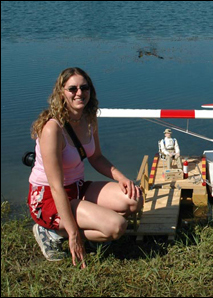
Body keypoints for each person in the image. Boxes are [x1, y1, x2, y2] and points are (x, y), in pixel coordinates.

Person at [27, 67, 143, 268]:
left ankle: (84, 222)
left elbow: (96, 158)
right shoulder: (53, 129)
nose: (79, 93)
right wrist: (73, 234)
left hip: (77, 187)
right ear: (61, 92)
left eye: (84, 87)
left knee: (134, 199)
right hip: (49, 197)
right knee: (116, 226)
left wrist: (121, 178)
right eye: (72, 89)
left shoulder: (88, 118)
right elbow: (55, 187)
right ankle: (52, 232)